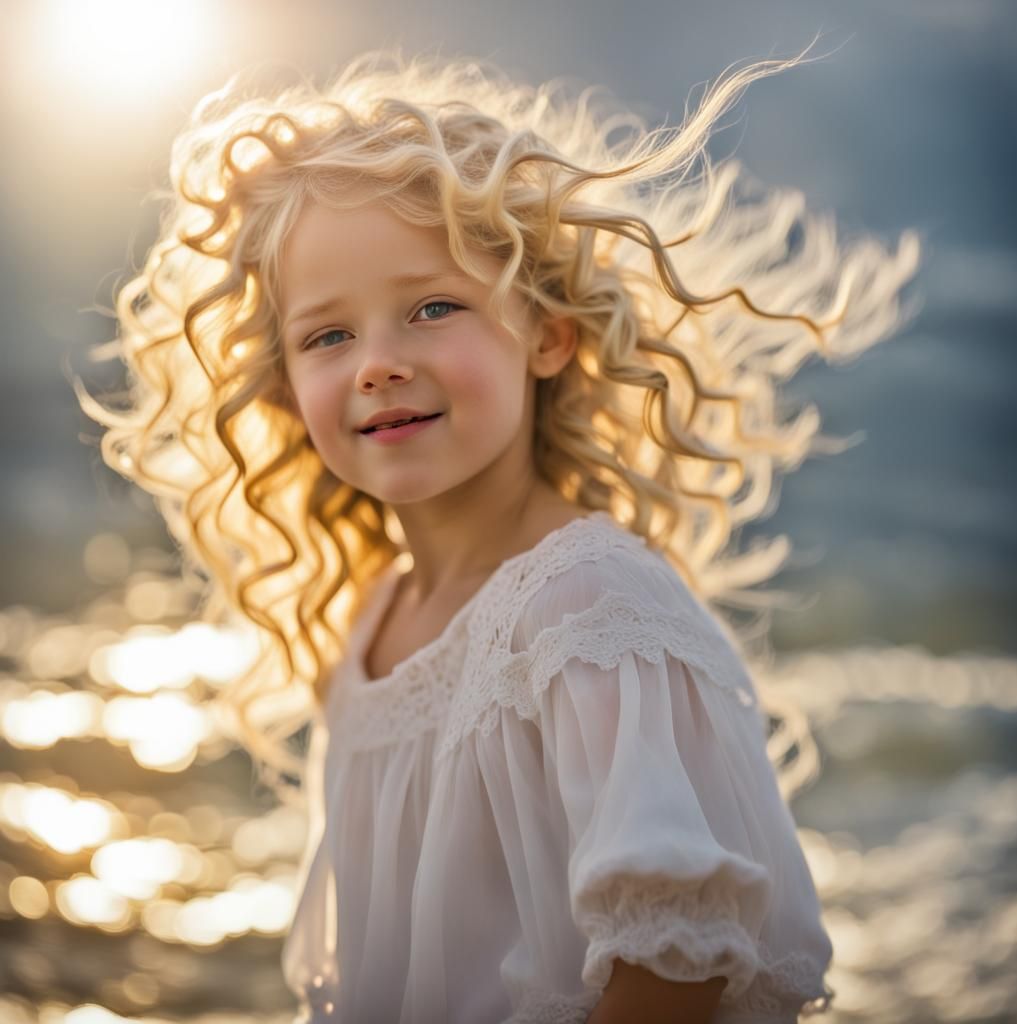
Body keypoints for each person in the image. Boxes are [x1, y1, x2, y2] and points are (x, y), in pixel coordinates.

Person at [79, 42, 920, 1024]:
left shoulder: (588, 606)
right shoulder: (375, 621)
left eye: (432, 307)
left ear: (547, 332)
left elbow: (672, 961)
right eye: (328, 335)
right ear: (282, 386)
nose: (378, 364)